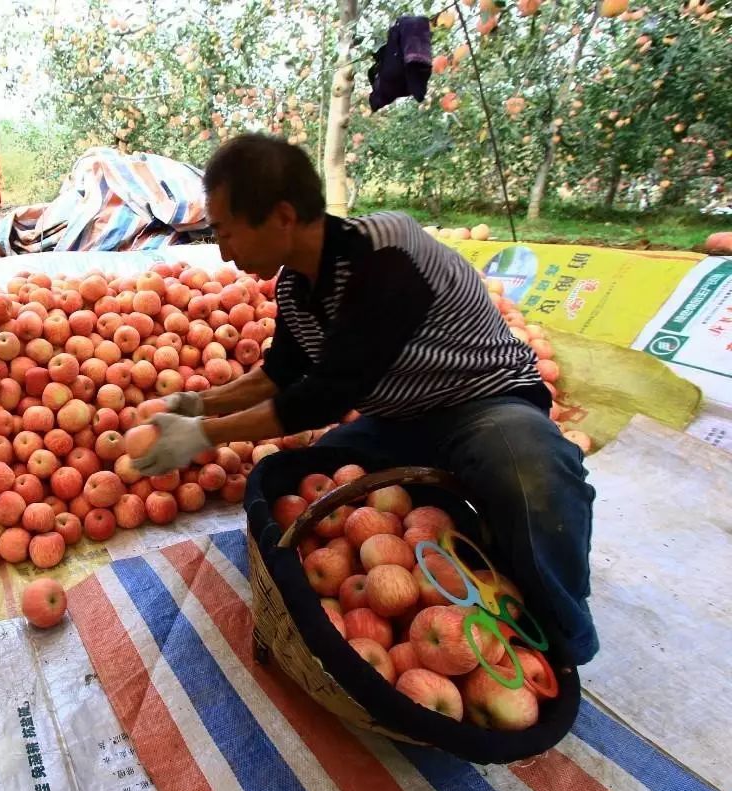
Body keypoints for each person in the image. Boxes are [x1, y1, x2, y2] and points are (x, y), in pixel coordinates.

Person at [131, 134, 598, 665]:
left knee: (531, 472)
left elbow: (327, 395)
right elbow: (281, 374)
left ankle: (563, 636)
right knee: (299, 474)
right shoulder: (294, 289)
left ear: (282, 216)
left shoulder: (385, 252)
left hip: (484, 403)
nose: (224, 251)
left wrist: (202, 436)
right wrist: (197, 405)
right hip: (400, 422)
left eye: (228, 232)